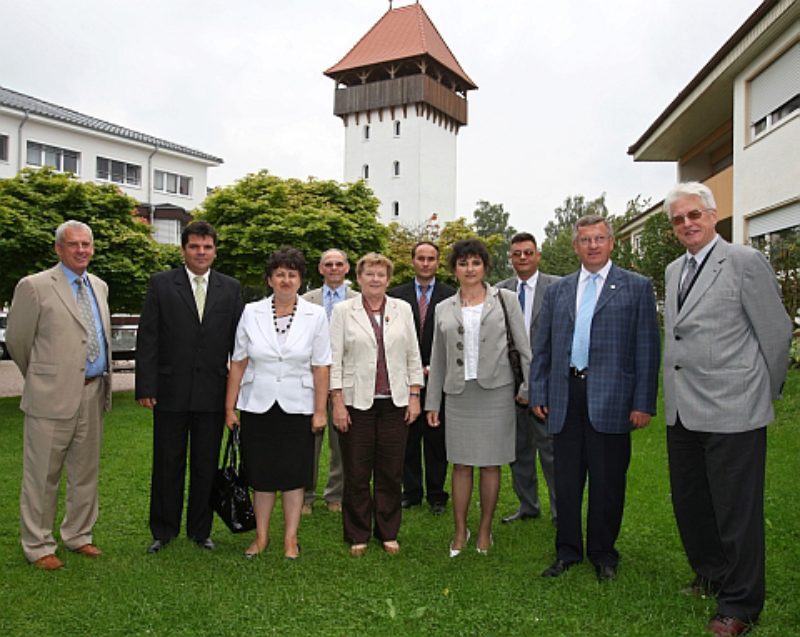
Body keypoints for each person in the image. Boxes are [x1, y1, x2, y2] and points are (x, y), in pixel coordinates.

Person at [662, 183, 792, 636]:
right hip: (683, 410)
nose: (687, 224)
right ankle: (711, 574)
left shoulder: (743, 262)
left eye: (694, 215)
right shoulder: (674, 269)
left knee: (736, 510)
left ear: (713, 215)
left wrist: (763, 392)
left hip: (735, 409)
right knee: (693, 503)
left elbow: (776, 333)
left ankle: (740, 604)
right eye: (678, 219)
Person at [531, 214, 659, 581]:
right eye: (585, 240)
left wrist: (642, 402)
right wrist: (539, 389)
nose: (592, 245)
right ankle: (567, 550)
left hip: (613, 398)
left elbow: (647, 349)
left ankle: (604, 553)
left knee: (607, 480)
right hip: (565, 393)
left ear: (611, 242)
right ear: (575, 246)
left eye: (599, 238)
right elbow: (543, 347)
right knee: (566, 480)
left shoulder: (635, 287)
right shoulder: (558, 290)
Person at [6, 220, 112, 570]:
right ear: (58, 248)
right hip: (50, 397)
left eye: (86, 244)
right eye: (73, 244)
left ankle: (79, 535)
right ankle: (38, 545)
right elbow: (18, 342)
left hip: (92, 394)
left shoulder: (99, 286)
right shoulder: (34, 286)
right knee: (42, 475)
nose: (81, 250)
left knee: (85, 472)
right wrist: (43, 378)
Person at [136, 220, 243, 554]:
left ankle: (201, 530)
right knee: (167, 463)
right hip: (169, 391)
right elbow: (148, 337)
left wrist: (235, 396)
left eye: (207, 247)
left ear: (214, 251)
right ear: (183, 249)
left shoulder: (231, 288)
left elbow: (239, 345)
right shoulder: (161, 284)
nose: (201, 252)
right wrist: (146, 386)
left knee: (205, 465)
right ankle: (163, 530)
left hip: (212, 393)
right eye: (194, 246)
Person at [426, 239, 530, 557]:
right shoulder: (443, 307)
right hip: (458, 394)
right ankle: (460, 530)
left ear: (485, 266)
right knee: (460, 465)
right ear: (454, 269)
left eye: (475, 262)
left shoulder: (506, 299)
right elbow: (438, 357)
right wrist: (432, 402)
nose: (469, 269)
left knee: (490, 466)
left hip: (496, 392)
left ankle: (485, 529)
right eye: (462, 263)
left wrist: (528, 387)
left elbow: (523, 346)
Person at [225, 247, 331, 559]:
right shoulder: (251, 311)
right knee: (262, 476)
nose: (286, 280)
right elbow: (239, 361)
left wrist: (320, 410)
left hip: (298, 407)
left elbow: (321, 365)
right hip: (258, 405)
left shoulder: (316, 315)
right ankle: (260, 537)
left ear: (301, 280)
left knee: (294, 476)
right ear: (270, 279)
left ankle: (290, 539)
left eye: (292, 274)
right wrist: (229, 407)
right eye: (280, 274)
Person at [329, 253, 423, 556]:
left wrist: (414, 395)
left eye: (381, 274)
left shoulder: (402, 309)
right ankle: (358, 533)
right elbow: (335, 359)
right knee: (356, 472)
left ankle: (388, 531)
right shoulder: (344, 311)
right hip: (356, 404)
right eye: (369, 274)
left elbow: (412, 355)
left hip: (395, 402)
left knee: (390, 471)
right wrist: (338, 402)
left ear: (388, 279)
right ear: (358, 277)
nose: (375, 279)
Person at [388, 241, 455, 516]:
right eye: (421, 258)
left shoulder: (452, 296)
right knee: (409, 439)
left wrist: (434, 367)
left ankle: (437, 495)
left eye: (431, 259)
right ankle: (411, 492)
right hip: (404, 379)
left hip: (441, 378)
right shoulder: (396, 296)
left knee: (437, 440)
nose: (426, 263)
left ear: (437, 262)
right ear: (413, 261)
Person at [496, 232, 559, 525]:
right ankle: (527, 505)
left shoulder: (558, 288)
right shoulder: (498, 292)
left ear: (538, 255)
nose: (522, 257)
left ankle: (561, 510)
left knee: (551, 452)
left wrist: (538, 385)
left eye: (528, 252)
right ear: (511, 258)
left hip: (547, 383)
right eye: (517, 253)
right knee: (518, 450)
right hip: (508, 385)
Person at [301, 248, 358, 515]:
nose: (334, 268)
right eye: (328, 264)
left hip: (345, 379)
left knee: (341, 441)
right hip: (310, 378)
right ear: (321, 269)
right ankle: (305, 496)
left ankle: (335, 494)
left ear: (347, 268)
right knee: (308, 441)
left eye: (339, 264)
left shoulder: (358, 300)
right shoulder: (305, 300)